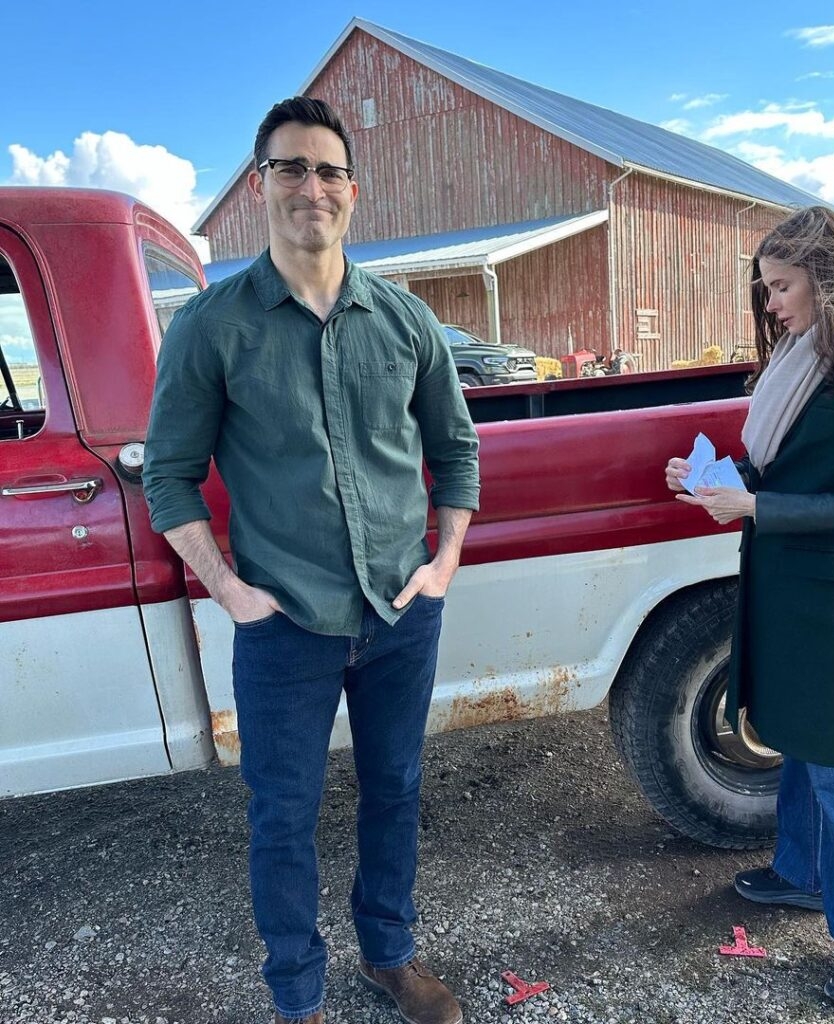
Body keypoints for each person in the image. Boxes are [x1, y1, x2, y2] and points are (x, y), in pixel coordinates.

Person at [143, 97, 479, 1024]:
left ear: (353, 192)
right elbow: (168, 476)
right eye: (290, 168)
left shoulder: (405, 321)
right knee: (282, 814)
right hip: (284, 622)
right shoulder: (212, 326)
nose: (311, 186)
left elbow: (456, 452)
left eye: (328, 170)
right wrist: (228, 589)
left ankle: (390, 955)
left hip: (400, 612)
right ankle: (298, 995)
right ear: (260, 187)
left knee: (397, 788)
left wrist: (442, 561)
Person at [665, 205, 834, 1009]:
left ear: (829, 279)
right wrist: (712, 475)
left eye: (783, 285)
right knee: (797, 741)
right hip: (776, 581)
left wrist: (756, 510)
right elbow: (771, 463)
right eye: (767, 288)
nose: (771, 303)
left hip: (824, 597)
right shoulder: (797, 363)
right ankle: (802, 875)